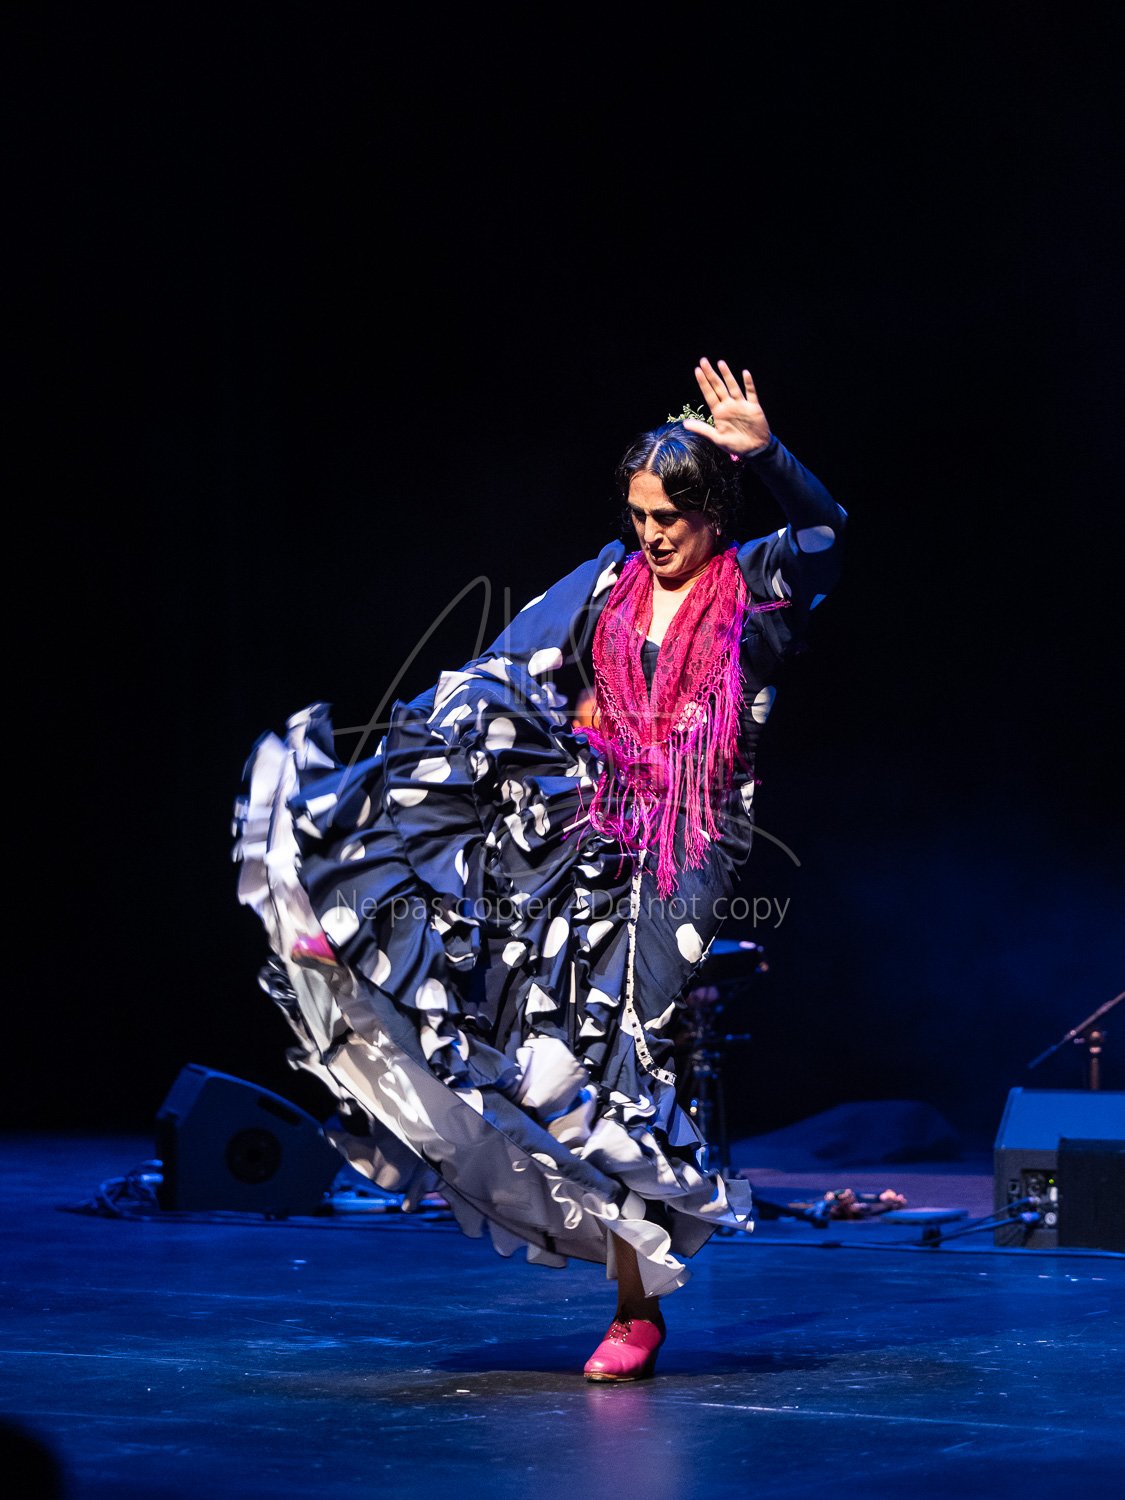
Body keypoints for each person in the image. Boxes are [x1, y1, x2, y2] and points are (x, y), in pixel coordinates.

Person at [233, 356, 846, 1382]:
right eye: (639, 515)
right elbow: (497, 672)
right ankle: (358, 935)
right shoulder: (608, 582)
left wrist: (771, 454)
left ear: (713, 514)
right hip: (586, 823)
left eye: (671, 519)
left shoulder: (756, 588)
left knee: (626, 1056)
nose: (652, 535)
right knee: (510, 982)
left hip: (689, 842)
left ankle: (637, 1309)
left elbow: (830, 536)